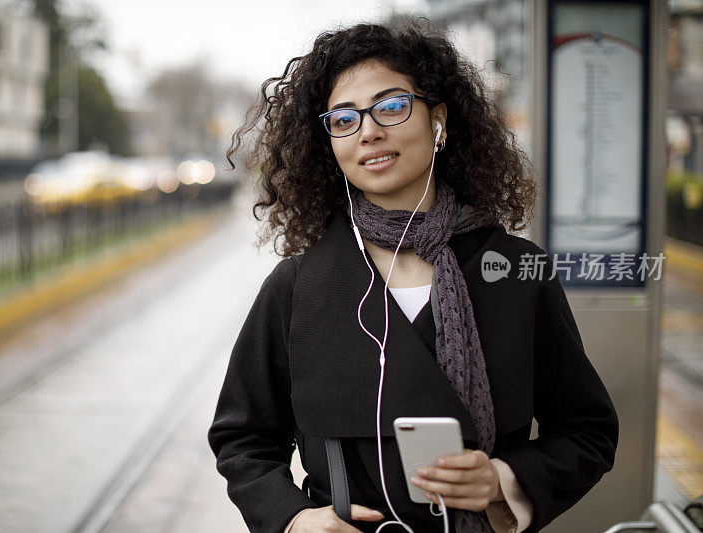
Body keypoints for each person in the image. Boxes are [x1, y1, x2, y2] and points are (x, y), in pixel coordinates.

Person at [208, 21, 618, 533]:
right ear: (328, 142)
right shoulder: (299, 285)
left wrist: (502, 480)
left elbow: (588, 431)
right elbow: (243, 437)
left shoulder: (515, 272)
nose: (369, 131)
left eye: (392, 106)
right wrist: (292, 519)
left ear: (438, 119)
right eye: (343, 118)